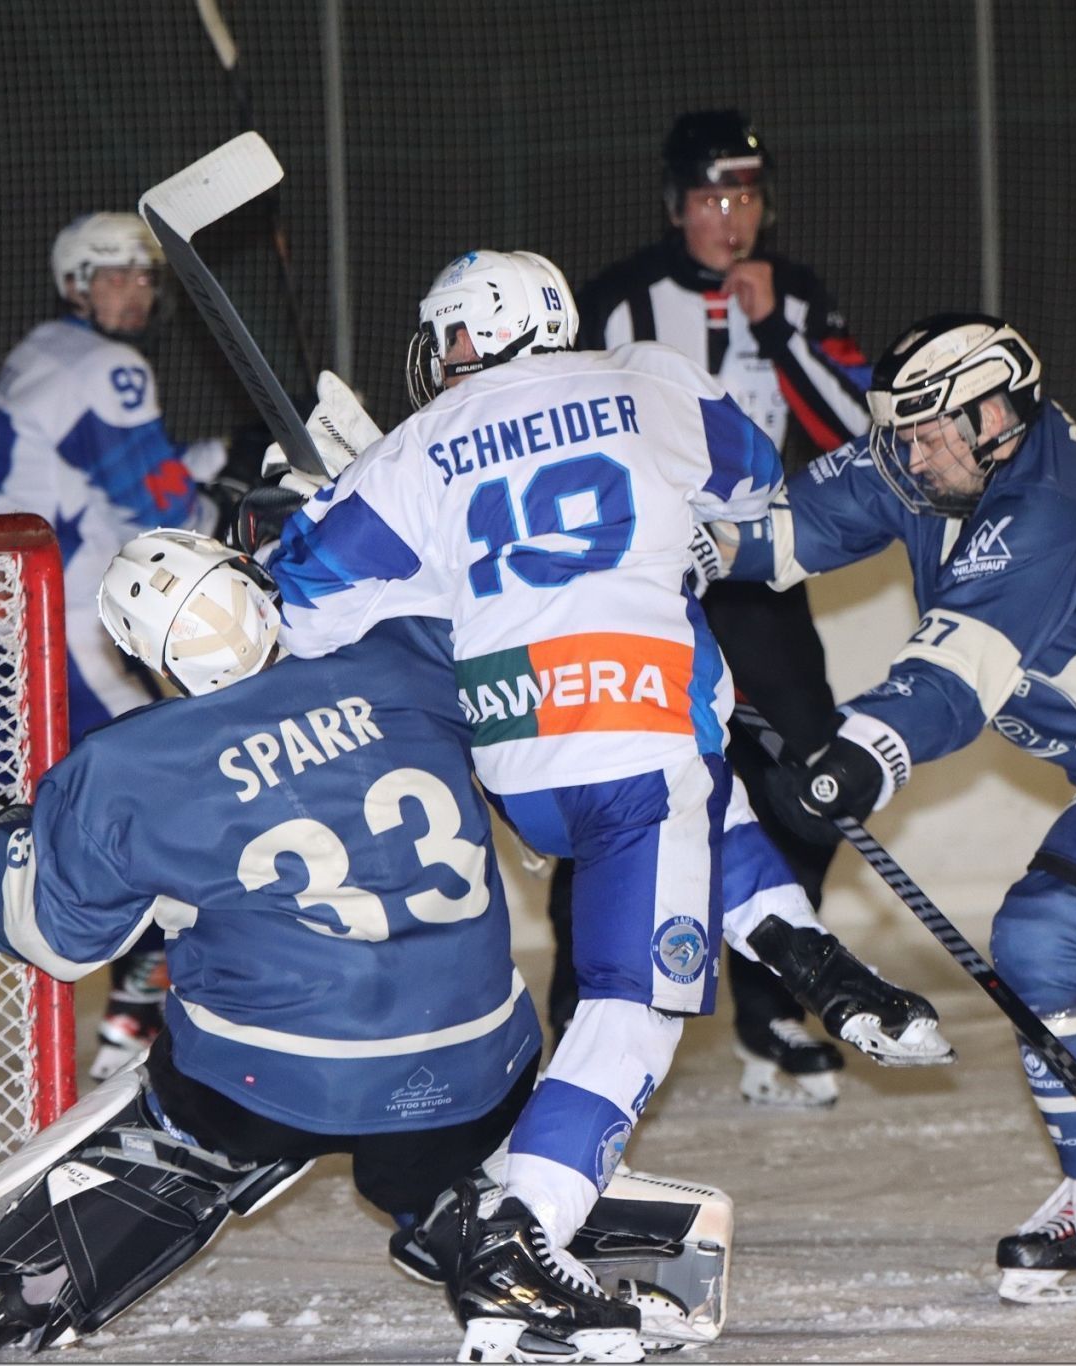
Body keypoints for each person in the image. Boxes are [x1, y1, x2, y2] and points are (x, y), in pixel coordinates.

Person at [0, 529, 947, 1362]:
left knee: (191, 1123)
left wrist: (2, 858)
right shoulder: (411, 652)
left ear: (146, 658)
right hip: (474, 1064)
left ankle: (23, 1282)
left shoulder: (121, 764)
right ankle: (499, 1224)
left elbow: (63, 943)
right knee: (427, 1140)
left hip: (270, 1077)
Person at [263, 248, 826, 1360]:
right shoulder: (645, 372)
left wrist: (338, 496)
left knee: (605, 959)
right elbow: (755, 476)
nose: (442, 356)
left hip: (517, 759)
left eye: (449, 334)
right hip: (641, 728)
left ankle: (507, 1209)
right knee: (632, 1002)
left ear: (479, 330)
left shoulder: (422, 438)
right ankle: (520, 1236)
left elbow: (305, 598)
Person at [714, 312, 1076, 1302]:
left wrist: (861, 751)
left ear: (996, 415)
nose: (909, 457)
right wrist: (647, 552)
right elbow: (774, 536)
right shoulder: (931, 463)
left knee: (1046, 935)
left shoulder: (1042, 503)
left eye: (930, 434)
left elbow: (955, 672)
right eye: (901, 433)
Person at [570, 109, 875, 1107]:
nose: (729, 216)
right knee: (617, 785)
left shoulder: (793, 291)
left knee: (817, 783)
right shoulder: (617, 300)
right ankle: (574, 1016)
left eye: (743, 194)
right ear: (675, 206)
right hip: (642, 585)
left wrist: (778, 327)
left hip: (756, 579)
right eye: (709, 197)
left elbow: (856, 429)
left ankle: (771, 1005)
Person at [0, 211, 242, 1087]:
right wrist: (238, 494)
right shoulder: (111, 367)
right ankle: (134, 1018)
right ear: (76, 283)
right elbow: (162, 507)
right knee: (163, 791)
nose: (135, 290)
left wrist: (214, 457)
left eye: (144, 276)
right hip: (59, 624)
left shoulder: (42, 352)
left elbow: (108, 472)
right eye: (115, 274)